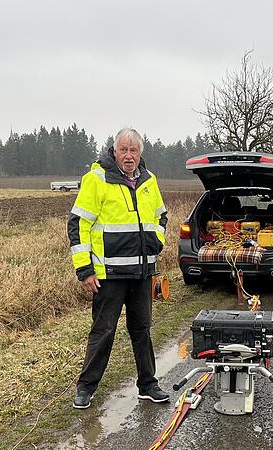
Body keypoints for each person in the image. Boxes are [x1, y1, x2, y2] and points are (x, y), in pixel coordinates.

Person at [67, 127, 170, 409]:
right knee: (103, 332)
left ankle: (148, 384)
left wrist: (156, 243)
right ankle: (86, 387)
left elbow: (161, 217)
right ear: (114, 152)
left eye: (133, 150)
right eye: (123, 150)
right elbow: (78, 224)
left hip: (141, 272)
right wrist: (85, 270)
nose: (128, 155)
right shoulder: (97, 179)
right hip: (108, 275)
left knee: (142, 330)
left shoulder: (149, 180)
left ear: (140, 153)